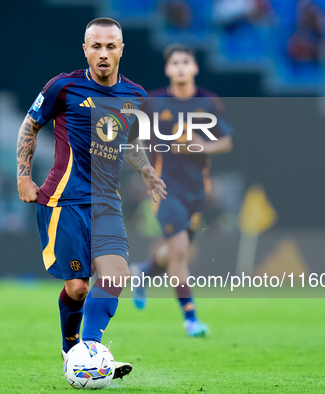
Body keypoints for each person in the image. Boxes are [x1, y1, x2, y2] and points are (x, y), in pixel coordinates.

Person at [16, 17, 166, 379]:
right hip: (63, 201)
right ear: (85, 49)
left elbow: (127, 143)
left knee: (115, 277)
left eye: (110, 46)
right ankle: (72, 350)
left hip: (106, 203)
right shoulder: (63, 88)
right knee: (79, 287)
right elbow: (30, 125)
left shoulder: (136, 96)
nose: (102, 53)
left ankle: (91, 352)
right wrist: (23, 176)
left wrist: (145, 169)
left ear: (121, 50)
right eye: (95, 46)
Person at [131, 44, 233, 337]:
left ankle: (143, 272)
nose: (179, 66)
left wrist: (202, 146)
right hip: (166, 189)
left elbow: (226, 142)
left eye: (185, 61)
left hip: (196, 193)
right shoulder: (153, 102)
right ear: (167, 69)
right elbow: (133, 138)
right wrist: (144, 171)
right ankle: (191, 318)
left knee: (175, 252)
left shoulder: (209, 102)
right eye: (174, 62)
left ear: (194, 68)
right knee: (179, 252)